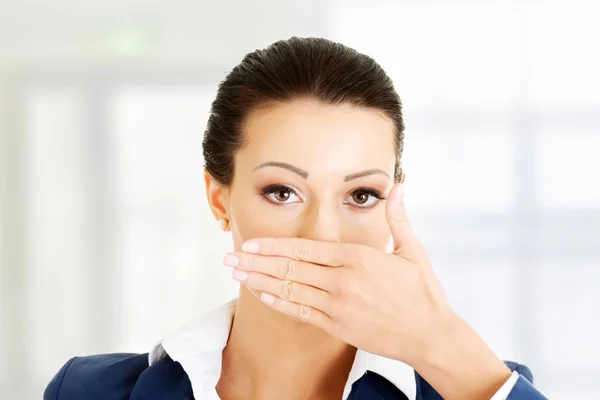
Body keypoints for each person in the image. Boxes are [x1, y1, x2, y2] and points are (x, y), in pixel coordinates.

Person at [44, 37, 548, 400]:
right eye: (283, 192)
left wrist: (442, 344)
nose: (324, 236)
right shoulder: (89, 391)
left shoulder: (472, 386)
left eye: (362, 195)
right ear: (220, 200)